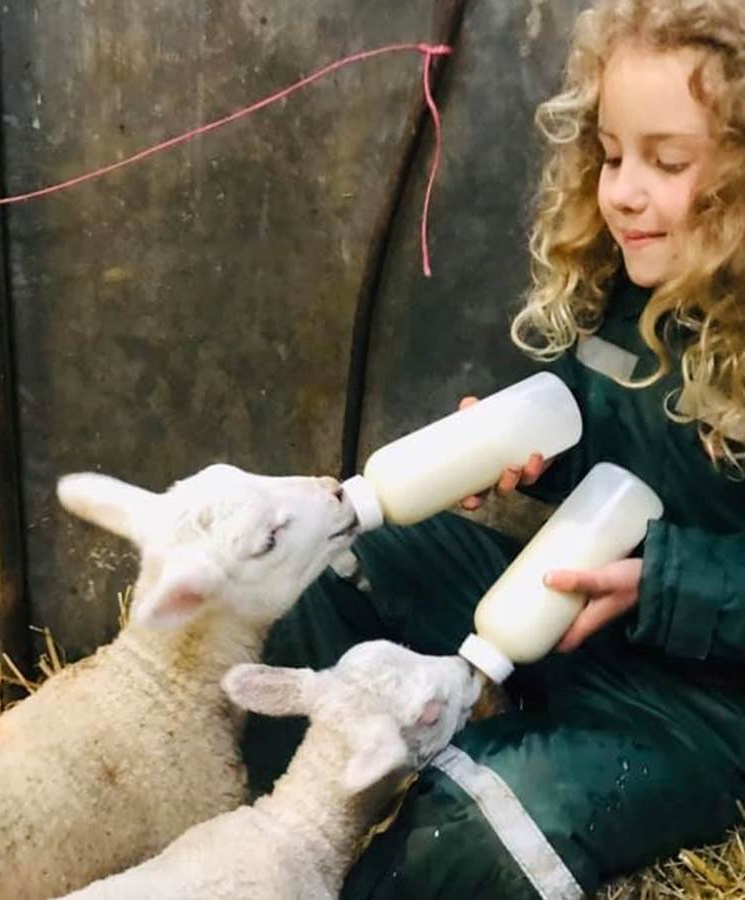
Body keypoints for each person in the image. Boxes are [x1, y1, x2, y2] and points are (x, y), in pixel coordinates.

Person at [241, 1, 745, 897]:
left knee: (479, 833)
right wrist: (529, 459)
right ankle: (269, 842)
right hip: (554, 607)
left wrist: (660, 582)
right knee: (328, 564)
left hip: (697, 709)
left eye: (666, 162)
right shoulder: (620, 287)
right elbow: (605, 452)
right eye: (612, 154)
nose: (623, 190)